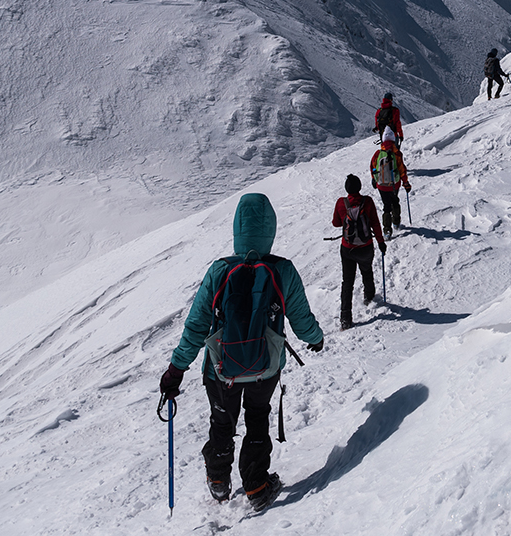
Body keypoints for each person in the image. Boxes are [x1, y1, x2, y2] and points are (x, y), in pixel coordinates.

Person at [159, 193, 323, 509]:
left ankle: (219, 482)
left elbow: (196, 326)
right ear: (271, 230)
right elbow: (301, 317)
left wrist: (176, 369)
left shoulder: (219, 270)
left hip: (221, 370)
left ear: (236, 228)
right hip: (266, 367)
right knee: (258, 418)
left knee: (222, 423)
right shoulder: (283, 270)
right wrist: (315, 339)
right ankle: (257, 486)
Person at [332, 175, 385, 329]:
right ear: (360, 186)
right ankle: (369, 298)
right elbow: (375, 222)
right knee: (367, 271)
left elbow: (336, 223)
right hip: (366, 246)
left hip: (347, 248)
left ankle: (345, 319)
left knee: (347, 282)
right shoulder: (367, 201)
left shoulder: (341, 203)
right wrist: (381, 242)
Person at [370, 130, 411, 231]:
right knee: (395, 201)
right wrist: (406, 183)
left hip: (381, 185)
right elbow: (402, 170)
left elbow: (373, 167)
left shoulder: (378, 153)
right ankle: (396, 222)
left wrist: (374, 178)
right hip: (394, 184)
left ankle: (387, 230)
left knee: (386, 205)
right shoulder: (397, 154)